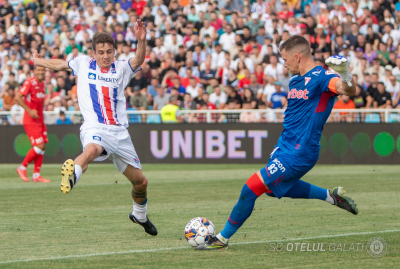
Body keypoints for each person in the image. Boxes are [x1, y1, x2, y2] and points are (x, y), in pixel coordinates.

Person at [196, 36, 358, 250]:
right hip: (285, 147)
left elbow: (348, 90)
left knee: (251, 187)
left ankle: (222, 239)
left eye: (285, 59)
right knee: (273, 190)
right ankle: (331, 196)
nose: (284, 64)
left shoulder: (321, 76)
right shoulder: (296, 80)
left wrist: (345, 73)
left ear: (297, 57)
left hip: (301, 152)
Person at [31, 20, 158, 236]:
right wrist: (38, 60)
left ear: (114, 51)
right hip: (94, 127)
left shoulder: (121, 68)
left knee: (141, 182)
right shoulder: (83, 63)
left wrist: (141, 39)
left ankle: (139, 215)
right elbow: (60, 64)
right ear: (93, 53)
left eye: (109, 52)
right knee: (90, 150)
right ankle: (72, 176)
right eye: (101, 52)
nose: (106, 56)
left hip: (120, 133)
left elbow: (139, 58)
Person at [15, 65, 51, 183]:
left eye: (43, 70)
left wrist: (49, 96)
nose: (41, 72)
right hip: (30, 119)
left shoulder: (44, 84)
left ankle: (36, 175)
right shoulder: (29, 82)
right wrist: (29, 110)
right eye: (39, 70)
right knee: (39, 146)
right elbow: (18, 97)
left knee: (43, 146)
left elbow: (40, 102)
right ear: (34, 71)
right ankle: (22, 167)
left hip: (40, 119)